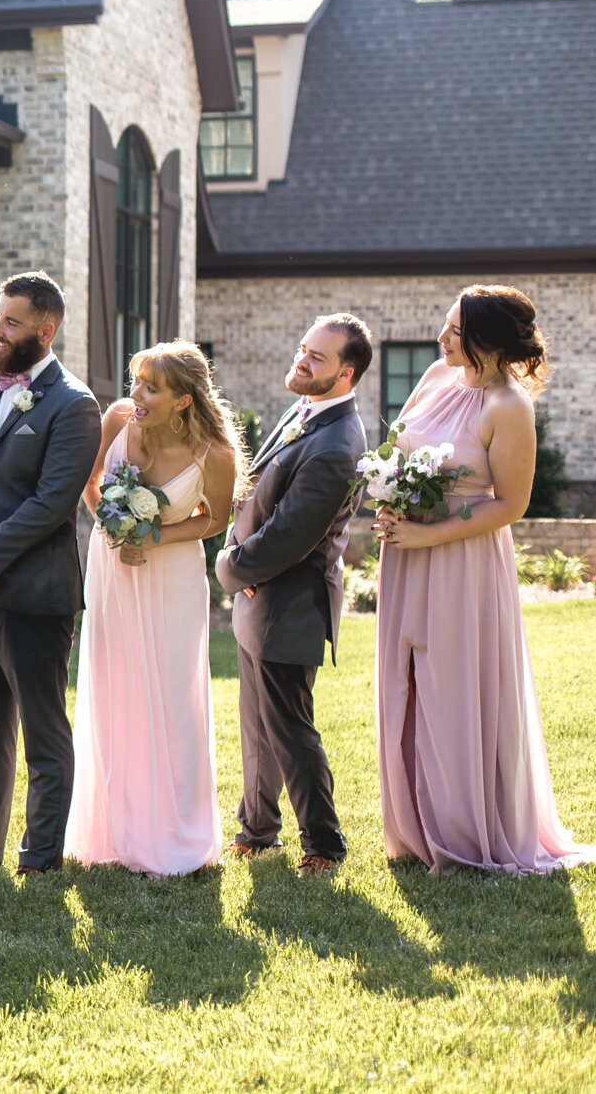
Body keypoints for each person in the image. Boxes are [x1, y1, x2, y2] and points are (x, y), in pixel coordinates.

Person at [373, 287, 596, 874]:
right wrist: (388, 497)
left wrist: (431, 533)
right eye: (446, 326)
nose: (442, 339)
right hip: (405, 554)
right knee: (404, 685)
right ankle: (413, 825)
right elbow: (397, 452)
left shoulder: (509, 407)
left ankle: (467, 829)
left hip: (464, 564)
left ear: (490, 342)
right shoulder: (434, 376)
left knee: (453, 686)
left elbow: (511, 504)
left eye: (456, 332)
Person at [0, 271, 102, 875]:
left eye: (11, 322)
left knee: (42, 733)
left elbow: (52, 503)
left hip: (34, 595)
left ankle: (40, 854)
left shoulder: (76, 404)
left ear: (44, 330)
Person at [66, 342, 241, 877]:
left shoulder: (215, 452)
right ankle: (112, 829)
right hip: (113, 567)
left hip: (171, 577)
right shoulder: (118, 419)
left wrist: (153, 534)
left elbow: (213, 520)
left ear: (184, 400)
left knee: (170, 696)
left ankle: (175, 834)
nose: (135, 396)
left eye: (150, 388)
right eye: (135, 382)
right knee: (113, 686)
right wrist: (114, 527)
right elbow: (91, 485)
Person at [214, 314, 371, 875]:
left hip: (291, 604)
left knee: (290, 730)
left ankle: (324, 846)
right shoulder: (303, 409)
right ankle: (257, 830)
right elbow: (256, 493)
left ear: (346, 373)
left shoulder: (336, 444)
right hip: (259, 597)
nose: (302, 361)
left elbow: (291, 535)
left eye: (318, 357)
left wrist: (230, 567)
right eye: (304, 348)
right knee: (257, 725)